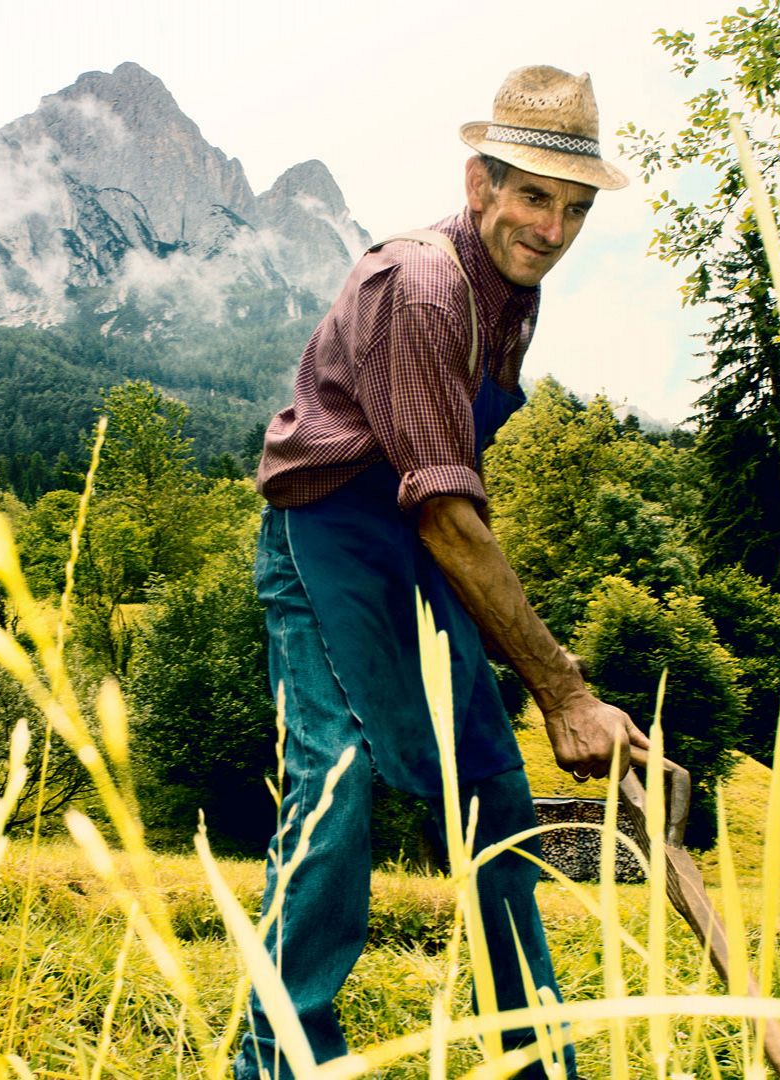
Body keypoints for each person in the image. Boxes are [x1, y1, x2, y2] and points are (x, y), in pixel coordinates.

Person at [236, 65, 652, 1080]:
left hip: (420, 544)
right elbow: (444, 504)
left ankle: (534, 1057)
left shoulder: (512, 295)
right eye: (530, 198)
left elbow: (447, 494)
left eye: (571, 208)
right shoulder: (421, 285)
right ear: (480, 185)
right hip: (329, 534)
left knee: (490, 792)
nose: (550, 230)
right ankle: (280, 1060)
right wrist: (562, 689)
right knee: (333, 790)